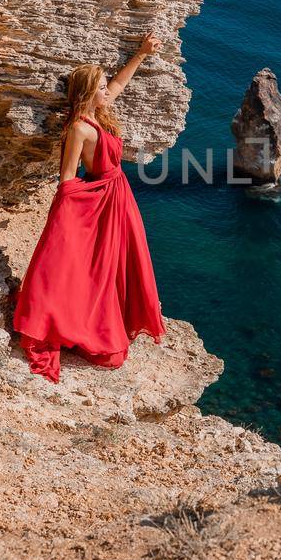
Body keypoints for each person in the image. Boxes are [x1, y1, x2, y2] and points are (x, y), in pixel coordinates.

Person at [13, 34, 166, 382]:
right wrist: (64, 222)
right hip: (100, 198)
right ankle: (68, 320)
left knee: (122, 262)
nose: (106, 92)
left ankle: (116, 315)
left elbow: (118, 84)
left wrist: (141, 54)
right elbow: (67, 177)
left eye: (103, 87)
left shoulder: (97, 116)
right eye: (99, 88)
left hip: (119, 196)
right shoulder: (79, 129)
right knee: (90, 267)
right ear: (86, 94)